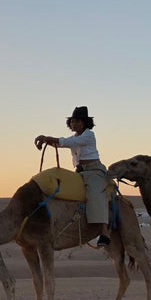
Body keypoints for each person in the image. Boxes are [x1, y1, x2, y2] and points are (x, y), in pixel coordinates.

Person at [34, 106, 111, 247]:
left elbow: (69, 142)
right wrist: (46, 141)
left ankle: (104, 233)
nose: (73, 124)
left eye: (77, 121)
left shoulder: (88, 135)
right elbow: (62, 143)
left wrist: (48, 138)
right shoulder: (75, 137)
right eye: (72, 121)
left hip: (94, 171)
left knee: (95, 194)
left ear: (84, 123)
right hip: (79, 173)